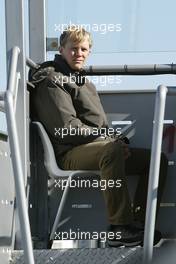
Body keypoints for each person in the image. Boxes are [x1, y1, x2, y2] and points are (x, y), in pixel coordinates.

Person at [29, 26, 168, 247]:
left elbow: (101, 125)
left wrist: (118, 141)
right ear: (62, 49)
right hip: (68, 152)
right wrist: (108, 143)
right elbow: (68, 128)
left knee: (155, 161)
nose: (79, 53)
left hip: (96, 147)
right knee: (110, 151)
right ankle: (119, 228)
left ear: (89, 52)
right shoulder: (53, 80)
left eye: (84, 49)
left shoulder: (83, 82)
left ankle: (139, 225)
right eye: (73, 48)